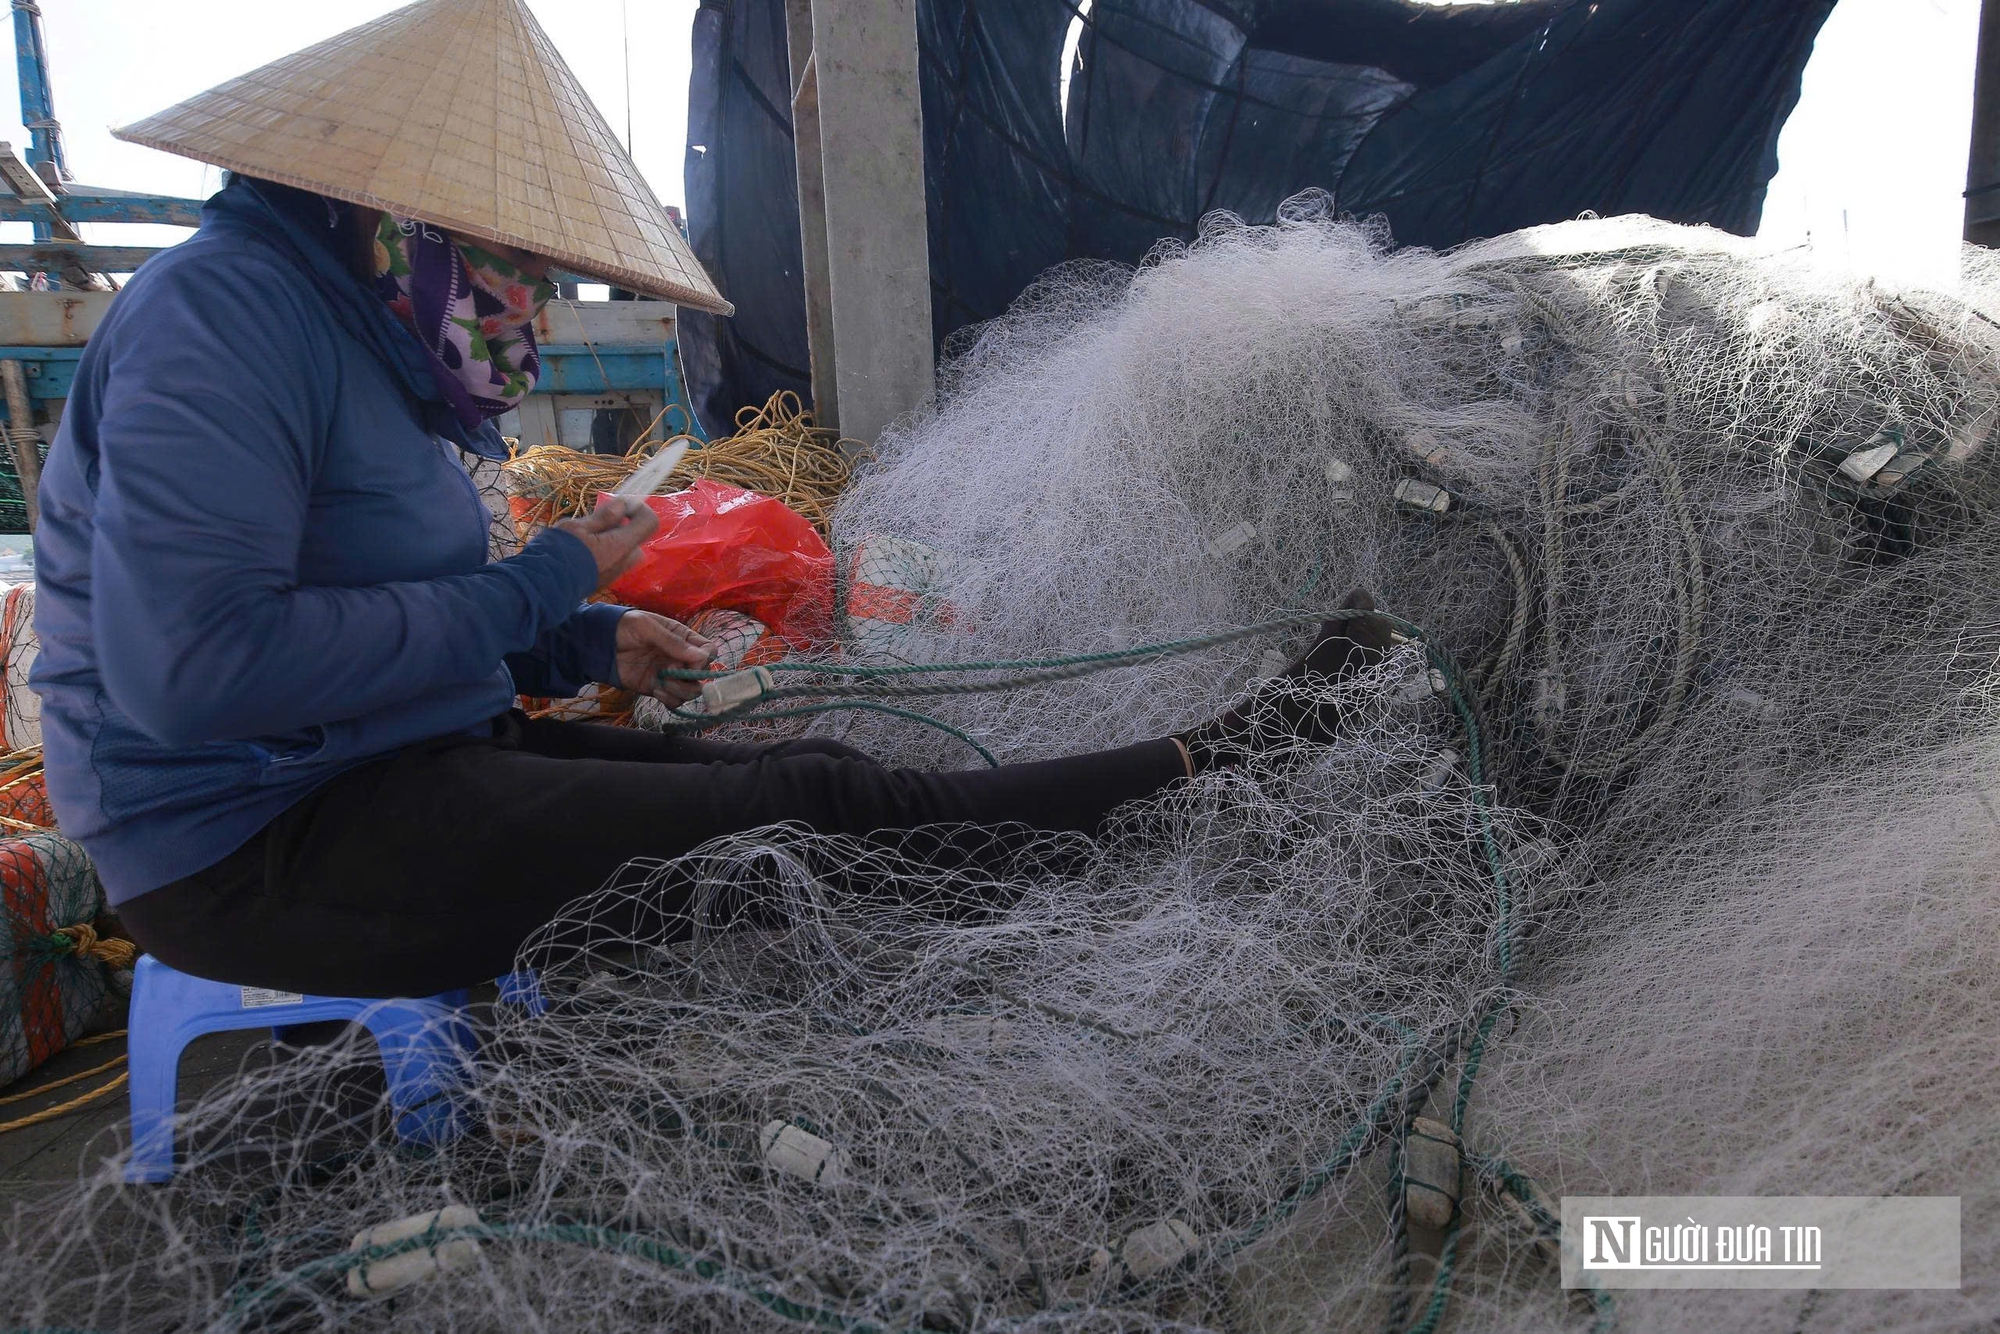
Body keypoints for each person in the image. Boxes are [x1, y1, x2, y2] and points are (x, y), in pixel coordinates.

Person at [32, 0, 1389, 999]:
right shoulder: (220, 322)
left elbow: (344, 599)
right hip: (250, 850)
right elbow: (196, 670)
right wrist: (541, 586)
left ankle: (1140, 802)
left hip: (382, 765)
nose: (532, 304)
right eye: (516, 261)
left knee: (823, 784)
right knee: (808, 812)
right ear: (401, 222)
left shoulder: (352, 334)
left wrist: (568, 644)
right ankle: (1208, 771)